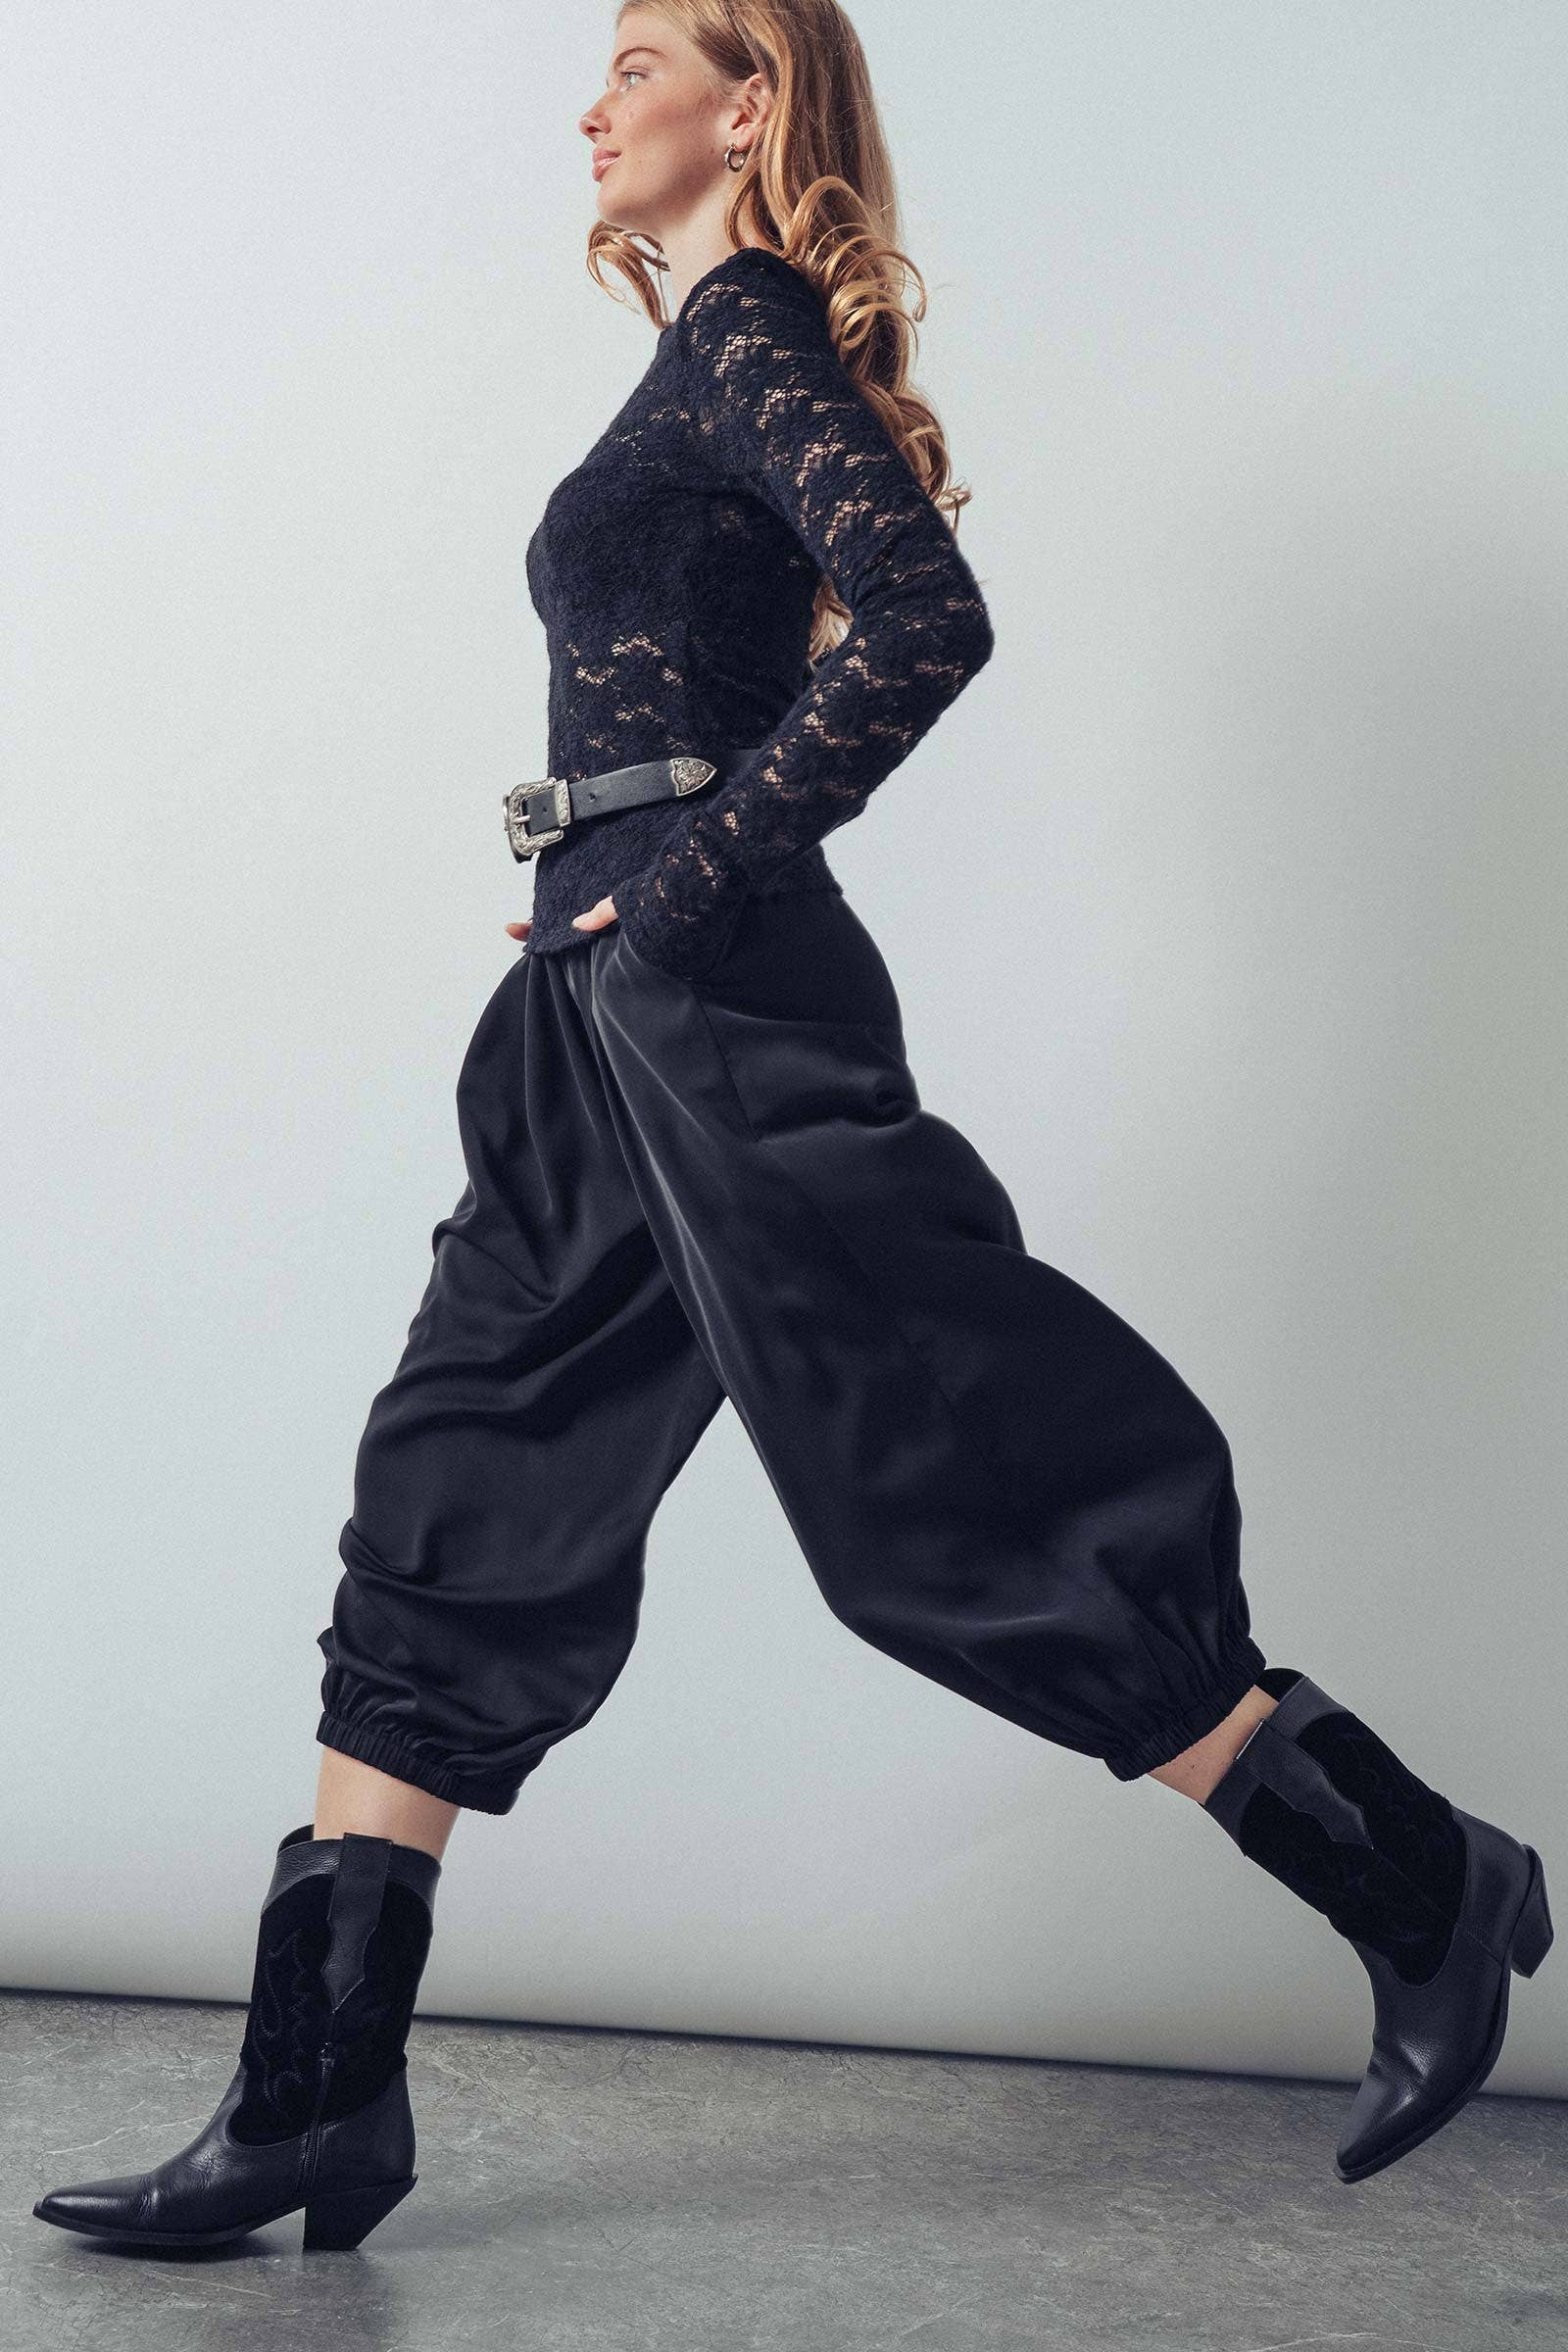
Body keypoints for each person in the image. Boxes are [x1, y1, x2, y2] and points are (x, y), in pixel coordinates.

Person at [34, 0, 1551, 2256]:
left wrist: (683, 885)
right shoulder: (689, 360)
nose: (590, 103)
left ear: (750, 100)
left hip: (701, 978)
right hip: (591, 997)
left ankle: (1415, 1876)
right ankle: (313, 2103)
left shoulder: (744, 325)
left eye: (637, 61)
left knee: (922, 1452)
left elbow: (922, 616)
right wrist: (604, 900)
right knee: (464, 1468)